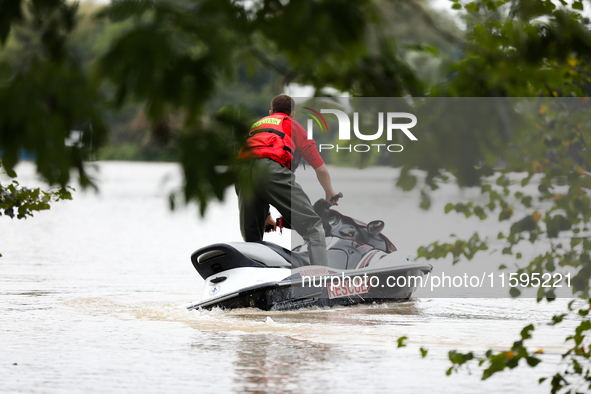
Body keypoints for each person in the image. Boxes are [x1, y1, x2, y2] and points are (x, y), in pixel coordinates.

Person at [235, 94, 340, 266]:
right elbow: (320, 169)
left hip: (242, 174)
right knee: (313, 227)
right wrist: (330, 192)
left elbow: (257, 165)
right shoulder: (293, 126)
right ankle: (320, 281)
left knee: (253, 237)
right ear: (292, 113)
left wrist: (266, 216)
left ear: (271, 112)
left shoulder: (257, 126)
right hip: (271, 171)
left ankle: (254, 281)